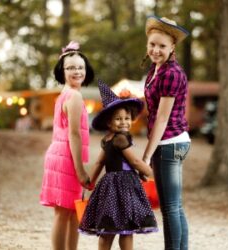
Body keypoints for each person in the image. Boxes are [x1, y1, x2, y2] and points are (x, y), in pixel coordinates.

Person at [79, 80, 158, 250]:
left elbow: (100, 162)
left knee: (108, 228)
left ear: (132, 119)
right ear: (109, 122)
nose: (124, 122)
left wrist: (91, 181)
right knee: (126, 229)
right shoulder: (121, 138)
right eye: (118, 119)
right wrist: (153, 173)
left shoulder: (106, 139)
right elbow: (135, 161)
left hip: (109, 187)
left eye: (127, 118)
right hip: (124, 187)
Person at [141, 15, 191, 250]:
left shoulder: (171, 73)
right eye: (152, 44)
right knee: (175, 205)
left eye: (162, 46)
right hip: (171, 141)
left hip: (169, 143)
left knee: (170, 207)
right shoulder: (155, 69)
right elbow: (152, 108)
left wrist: (146, 155)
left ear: (172, 47)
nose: (156, 50)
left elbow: (162, 118)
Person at [40, 41, 94, 250]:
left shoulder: (64, 94)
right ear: (62, 71)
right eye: (71, 67)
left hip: (60, 154)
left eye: (80, 67)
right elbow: (74, 134)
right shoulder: (74, 96)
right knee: (63, 213)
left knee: (72, 212)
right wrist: (81, 170)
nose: (77, 71)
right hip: (66, 158)